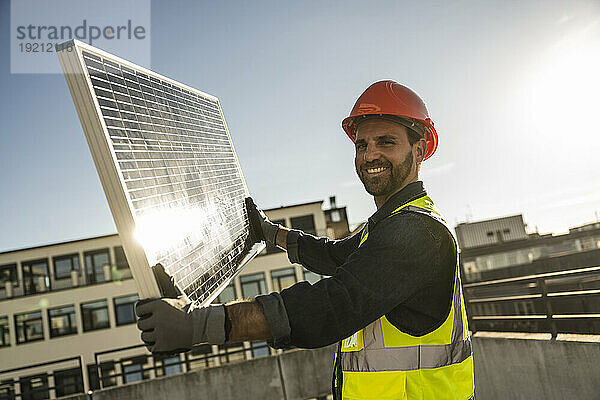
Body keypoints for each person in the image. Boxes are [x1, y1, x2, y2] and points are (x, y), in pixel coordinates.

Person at [135, 80, 475, 399]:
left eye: (386, 142)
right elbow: (335, 256)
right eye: (362, 145)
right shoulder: (390, 226)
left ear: (419, 150)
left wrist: (200, 324)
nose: (370, 155)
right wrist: (273, 234)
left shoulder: (417, 232)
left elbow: (333, 306)